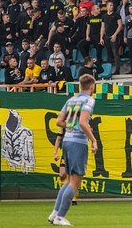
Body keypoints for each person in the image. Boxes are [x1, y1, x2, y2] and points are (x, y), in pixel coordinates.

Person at [48, 74, 98, 226]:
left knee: (69, 181)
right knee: (75, 182)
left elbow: (59, 121)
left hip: (67, 141)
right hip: (78, 143)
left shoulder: (70, 100)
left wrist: (71, 126)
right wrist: (93, 140)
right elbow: (82, 122)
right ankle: (60, 217)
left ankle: (54, 213)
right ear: (92, 86)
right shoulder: (89, 100)